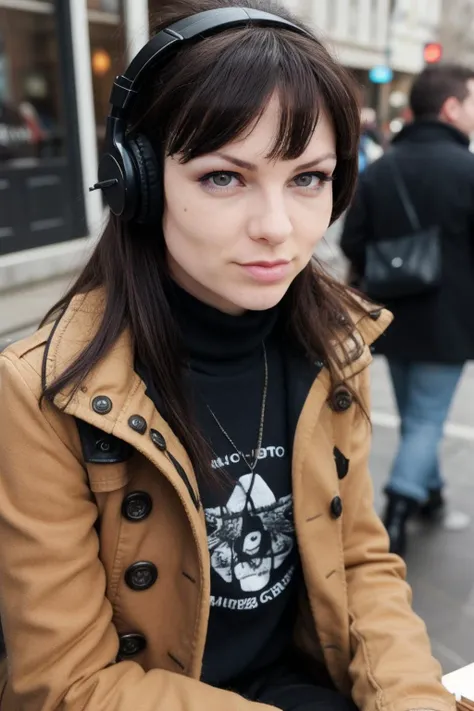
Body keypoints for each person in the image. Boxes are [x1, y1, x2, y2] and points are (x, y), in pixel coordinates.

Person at [0, 2, 456, 710]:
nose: (278, 229)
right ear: (139, 184)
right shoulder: (42, 392)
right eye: (224, 176)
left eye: (308, 178)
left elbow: (361, 563)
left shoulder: (334, 346)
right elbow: (66, 684)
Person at [340, 63, 474, 556]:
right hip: (452, 323)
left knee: (420, 416)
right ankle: (398, 507)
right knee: (426, 419)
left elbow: (353, 240)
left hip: (391, 317)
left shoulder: (381, 169)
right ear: (451, 106)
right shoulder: (468, 170)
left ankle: (431, 493)